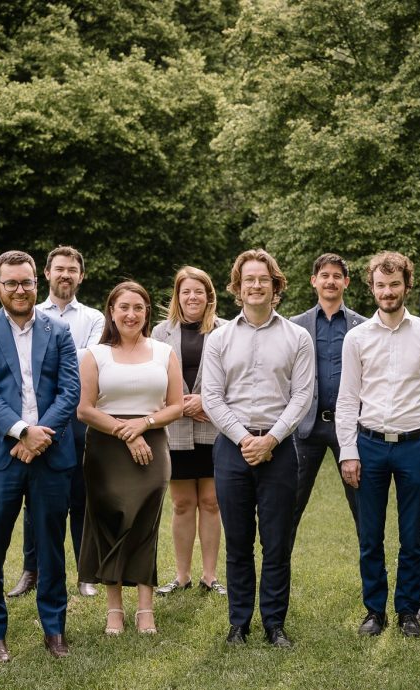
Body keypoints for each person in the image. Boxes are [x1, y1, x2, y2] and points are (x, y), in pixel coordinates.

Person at [0, 250, 80, 662]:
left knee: (51, 544)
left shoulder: (60, 330)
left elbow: (70, 391)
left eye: (27, 282)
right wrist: (21, 432)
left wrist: (40, 436)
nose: (20, 290)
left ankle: (55, 630)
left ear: (38, 283)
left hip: (51, 453)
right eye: (11, 283)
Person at [336, 251, 420, 638]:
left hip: (413, 445)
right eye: (381, 286)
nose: (388, 292)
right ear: (371, 288)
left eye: (395, 285)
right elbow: (347, 399)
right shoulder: (356, 338)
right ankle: (374, 611)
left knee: (411, 535)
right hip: (368, 444)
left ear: (407, 285)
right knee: (370, 536)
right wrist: (348, 451)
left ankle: (407, 611)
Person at [202, 249, 314, 648]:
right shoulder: (219, 338)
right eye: (248, 279)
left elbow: (302, 395)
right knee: (238, 540)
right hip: (233, 448)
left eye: (263, 279)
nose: (255, 285)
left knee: (277, 540)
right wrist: (245, 439)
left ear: (275, 286)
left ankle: (274, 624)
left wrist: (270, 439)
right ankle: (238, 623)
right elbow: (212, 397)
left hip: (279, 447)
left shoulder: (297, 337)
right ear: (237, 287)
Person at [77, 282, 184, 634]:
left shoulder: (164, 352)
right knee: (108, 521)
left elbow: (176, 406)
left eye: (138, 307)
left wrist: (143, 426)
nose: (131, 314)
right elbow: (85, 410)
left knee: (143, 523)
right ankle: (113, 610)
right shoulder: (94, 354)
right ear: (111, 311)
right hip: (106, 449)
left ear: (147, 312)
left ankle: (145, 608)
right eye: (123, 307)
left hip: (151, 446)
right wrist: (126, 432)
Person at [9, 245, 104, 599]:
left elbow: (90, 363)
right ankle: (31, 571)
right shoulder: (27, 312)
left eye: (72, 270)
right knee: (34, 499)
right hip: (34, 420)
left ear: (81, 275)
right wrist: (66, 357)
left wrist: (53, 357)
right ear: (46, 274)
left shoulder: (95, 318)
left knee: (82, 496)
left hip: (80, 418)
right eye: (59, 269)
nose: (66, 274)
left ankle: (85, 573)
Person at [151, 267, 227, 596]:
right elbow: (152, 380)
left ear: (209, 296)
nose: (192, 297)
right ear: (177, 296)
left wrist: (206, 404)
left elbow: (235, 381)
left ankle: (210, 576)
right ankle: (181, 576)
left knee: (211, 502)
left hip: (214, 427)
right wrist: (182, 405)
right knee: (182, 504)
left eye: (199, 291)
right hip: (177, 429)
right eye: (186, 291)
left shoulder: (226, 331)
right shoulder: (159, 333)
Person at [289, 253, 366, 541]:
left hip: (351, 428)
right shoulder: (296, 326)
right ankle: (276, 581)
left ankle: (372, 581)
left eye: (336, 276)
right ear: (314, 281)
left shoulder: (363, 326)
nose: (330, 281)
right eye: (324, 275)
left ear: (346, 282)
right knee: (290, 506)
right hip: (306, 427)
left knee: (363, 506)